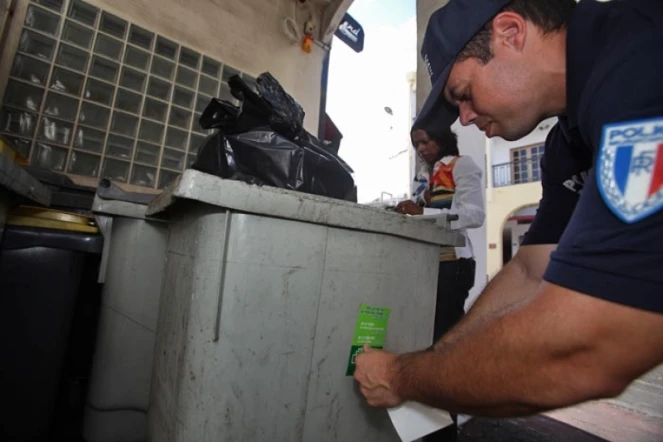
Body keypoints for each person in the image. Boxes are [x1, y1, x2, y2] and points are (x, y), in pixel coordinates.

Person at [354, 0, 663, 419]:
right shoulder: (566, 146)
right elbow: (528, 270)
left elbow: (590, 345)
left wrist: (403, 376)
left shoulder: (639, 60)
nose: (462, 120)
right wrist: (444, 355)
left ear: (511, 33)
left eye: (463, 95)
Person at [396, 124, 484, 442]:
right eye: (416, 144)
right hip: (433, 266)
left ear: (441, 138)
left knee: (443, 350)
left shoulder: (463, 165)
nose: (421, 148)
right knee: (430, 347)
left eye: (425, 140)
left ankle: (446, 431)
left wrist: (424, 212)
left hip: (455, 266)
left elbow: (474, 214)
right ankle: (435, 427)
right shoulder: (432, 177)